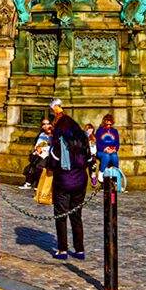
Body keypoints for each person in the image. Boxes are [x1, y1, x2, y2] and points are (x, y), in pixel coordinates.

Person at [44, 101, 91, 260]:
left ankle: (63, 250)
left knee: (61, 216)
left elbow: (52, 163)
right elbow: (90, 160)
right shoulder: (83, 141)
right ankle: (79, 250)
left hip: (63, 181)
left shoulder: (59, 142)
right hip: (80, 181)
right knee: (76, 215)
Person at [93, 112, 120, 178]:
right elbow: (97, 143)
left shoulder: (114, 131)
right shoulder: (99, 131)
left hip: (112, 150)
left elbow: (117, 143)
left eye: (110, 124)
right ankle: (101, 172)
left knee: (114, 156)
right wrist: (104, 149)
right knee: (106, 156)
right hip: (102, 151)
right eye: (107, 124)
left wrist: (114, 149)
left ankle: (116, 173)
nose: (108, 126)